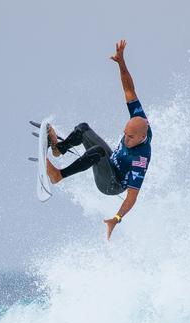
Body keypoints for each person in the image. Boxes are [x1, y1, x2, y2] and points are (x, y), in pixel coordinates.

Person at [46, 39, 152, 241]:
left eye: (130, 138)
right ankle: (59, 149)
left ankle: (58, 175)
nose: (126, 139)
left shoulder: (141, 159)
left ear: (142, 138)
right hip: (111, 162)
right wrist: (121, 63)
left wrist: (117, 217)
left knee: (97, 151)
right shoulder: (140, 120)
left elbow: (132, 197)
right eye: (125, 134)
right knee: (83, 128)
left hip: (112, 184)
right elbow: (129, 90)